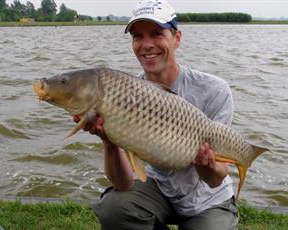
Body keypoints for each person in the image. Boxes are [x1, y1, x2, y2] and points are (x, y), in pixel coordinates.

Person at [75, 0, 238, 229]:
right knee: (114, 208)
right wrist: (109, 141)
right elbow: (122, 183)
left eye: (156, 34)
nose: (147, 44)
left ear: (177, 38)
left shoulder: (214, 90)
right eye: (138, 36)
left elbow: (215, 179)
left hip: (207, 199)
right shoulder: (123, 93)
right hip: (156, 189)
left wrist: (205, 164)